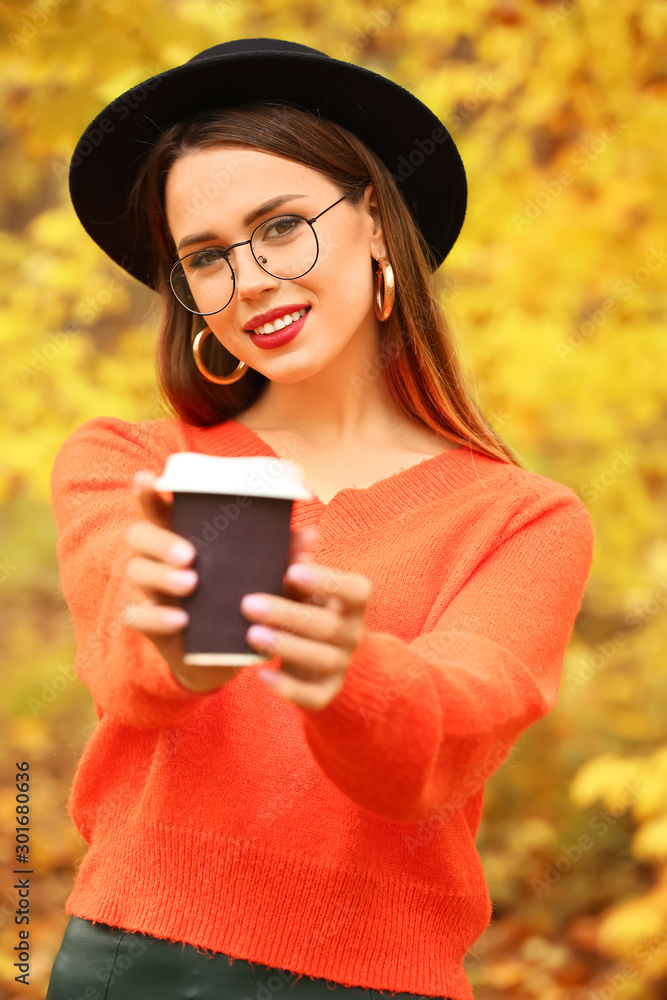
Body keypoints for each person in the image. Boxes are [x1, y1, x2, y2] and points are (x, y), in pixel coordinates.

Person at [46, 37, 595, 1000]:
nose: (248, 279)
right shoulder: (128, 465)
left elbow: (447, 736)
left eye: (282, 226)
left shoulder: (522, 519)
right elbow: (119, 655)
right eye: (205, 258)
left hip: (377, 981)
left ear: (376, 223)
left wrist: (353, 673)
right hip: (134, 963)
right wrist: (177, 641)